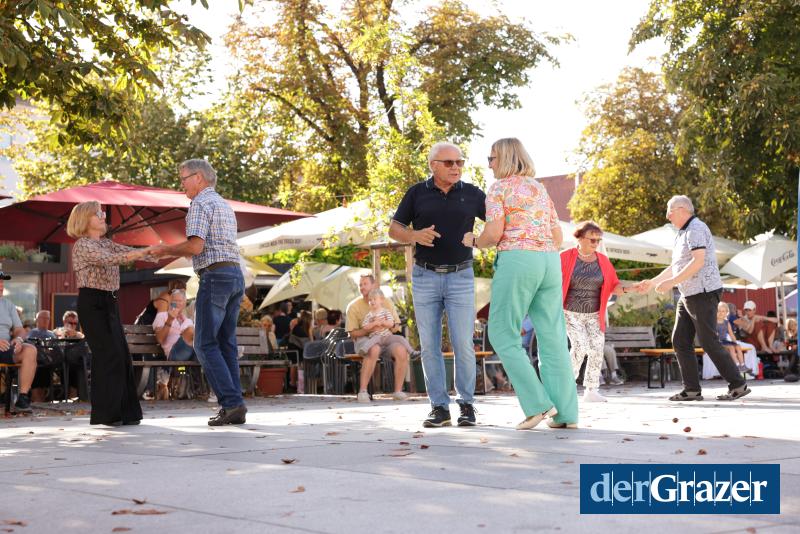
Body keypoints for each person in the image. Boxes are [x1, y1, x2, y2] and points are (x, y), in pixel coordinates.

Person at [464, 137, 578, 430]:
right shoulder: (539, 188)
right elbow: (557, 236)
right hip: (549, 261)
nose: (489, 165)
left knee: (502, 333)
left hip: (518, 260)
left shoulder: (499, 188)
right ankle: (567, 414)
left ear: (504, 159)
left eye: (491, 159)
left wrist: (474, 240)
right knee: (553, 338)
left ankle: (539, 405)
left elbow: (493, 233)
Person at [389, 141, 486, 427]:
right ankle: (439, 408)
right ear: (433, 165)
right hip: (425, 277)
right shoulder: (416, 193)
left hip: (461, 277)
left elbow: (497, 225)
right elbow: (394, 229)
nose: (456, 167)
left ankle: (466, 405)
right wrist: (413, 236)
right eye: (449, 163)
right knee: (429, 346)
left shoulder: (473, 194)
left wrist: (479, 240)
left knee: (463, 344)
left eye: (460, 162)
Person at [150, 159, 246, 426]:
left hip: (215, 277)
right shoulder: (224, 204)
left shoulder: (199, 204)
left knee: (203, 344)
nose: (181, 184)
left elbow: (195, 247)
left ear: (199, 178)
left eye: (183, 178)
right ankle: (235, 403)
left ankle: (231, 404)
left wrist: (164, 250)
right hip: (235, 275)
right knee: (226, 344)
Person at [633, 195, 749, 401]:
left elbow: (698, 261)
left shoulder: (695, 228)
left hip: (703, 292)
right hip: (689, 293)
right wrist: (652, 282)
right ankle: (692, 390)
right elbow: (676, 266)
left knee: (708, 341)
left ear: (682, 209)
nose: (667, 216)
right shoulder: (682, 233)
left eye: (669, 211)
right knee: (680, 340)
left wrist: (671, 282)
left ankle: (738, 385)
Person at [67, 201, 152, 425]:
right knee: (108, 356)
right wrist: (143, 253)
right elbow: (112, 259)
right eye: (98, 213)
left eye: (102, 212)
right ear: (85, 220)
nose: (103, 216)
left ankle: (127, 413)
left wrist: (159, 252)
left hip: (110, 303)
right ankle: (107, 415)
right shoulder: (83, 245)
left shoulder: (106, 243)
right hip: (93, 304)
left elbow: (129, 252)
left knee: (121, 356)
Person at [560, 221, 626, 403]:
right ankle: (566, 386)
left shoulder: (603, 260)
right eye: (592, 239)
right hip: (570, 312)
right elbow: (551, 281)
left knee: (597, 348)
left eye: (598, 240)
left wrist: (631, 288)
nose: (596, 243)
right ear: (580, 238)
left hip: (594, 314)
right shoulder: (565, 257)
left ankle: (591, 390)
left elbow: (614, 285)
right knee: (580, 346)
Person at [345, 275, 411, 402]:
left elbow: (396, 327)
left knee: (401, 350)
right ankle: (363, 391)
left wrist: (387, 324)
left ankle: (397, 391)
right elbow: (352, 334)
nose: (362, 287)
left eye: (365, 284)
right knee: (374, 348)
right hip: (364, 340)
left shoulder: (385, 301)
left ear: (374, 285)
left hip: (385, 338)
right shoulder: (353, 306)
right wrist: (370, 328)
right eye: (360, 285)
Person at [0, 275, 38, 413]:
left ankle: (22, 399)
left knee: (30, 350)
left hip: (6, 348)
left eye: (2, 282)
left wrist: (19, 340)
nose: (1, 286)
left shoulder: (8, 304)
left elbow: (19, 330)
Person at [152, 289, 196, 400]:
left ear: (185, 303)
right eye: (174, 301)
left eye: (180, 301)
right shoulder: (162, 316)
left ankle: (213, 391)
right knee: (192, 332)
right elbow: (160, 340)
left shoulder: (188, 321)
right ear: (170, 302)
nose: (177, 303)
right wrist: (170, 320)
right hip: (174, 353)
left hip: (192, 352)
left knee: (205, 350)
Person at [716, 302, 748, 372]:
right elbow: (745, 324)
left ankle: (742, 365)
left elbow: (731, 334)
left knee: (738, 346)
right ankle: (737, 365)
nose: (721, 313)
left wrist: (735, 343)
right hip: (720, 341)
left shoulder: (727, 322)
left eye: (723, 311)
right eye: (719, 311)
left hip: (726, 340)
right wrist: (741, 316)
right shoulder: (717, 322)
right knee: (731, 348)